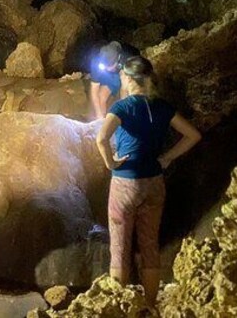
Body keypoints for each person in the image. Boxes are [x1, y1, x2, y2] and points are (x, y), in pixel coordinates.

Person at [95, 56, 201, 307]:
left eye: (122, 77)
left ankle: (119, 309)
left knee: (120, 250)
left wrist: (110, 163)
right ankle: (150, 306)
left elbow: (101, 138)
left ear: (129, 79)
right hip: (154, 183)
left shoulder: (122, 108)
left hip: (125, 183)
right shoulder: (162, 107)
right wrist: (167, 158)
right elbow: (193, 135)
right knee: (150, 247)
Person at [89, 41, 137, 120]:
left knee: (125, 92)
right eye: (105, 66)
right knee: (101, 96)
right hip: (109, 76)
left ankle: (124, 118)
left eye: (110, 66)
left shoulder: (127, 58)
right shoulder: (96, 62)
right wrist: (99, 115)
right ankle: (103, 122)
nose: (107, 68)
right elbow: (94, 90)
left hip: (125, 72)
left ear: (117, 60)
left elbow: (125, 89)